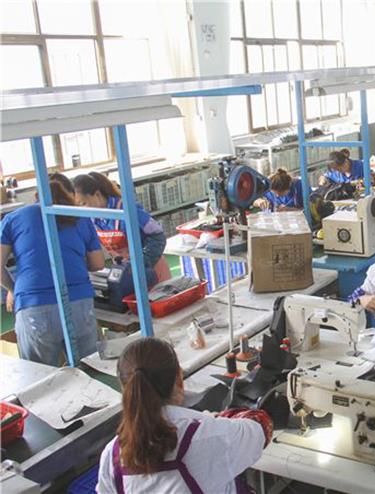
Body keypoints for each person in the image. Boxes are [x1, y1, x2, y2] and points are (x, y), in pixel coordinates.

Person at [97, 337, 272, 494]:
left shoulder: (111, 456)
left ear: (124, 389)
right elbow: (262, 427)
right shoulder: (208, 435)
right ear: (179, 379)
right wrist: (219, 419)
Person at [0, 174, 104, 365]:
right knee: (89, 368)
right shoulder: (79, 217)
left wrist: (14, 289)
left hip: (34, 307)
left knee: (42, 376)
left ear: (36, 195)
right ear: (70, 195)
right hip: (78, 303)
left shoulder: (14, 219)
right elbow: (98, 264)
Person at [73, 172, 170, 282]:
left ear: (97, 195)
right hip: (124, 271)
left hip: (151, 269)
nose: (82, 210)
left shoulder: (128, 209)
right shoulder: (93, 219)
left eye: (83, 204)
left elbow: (158, 236)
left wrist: (141, 263)